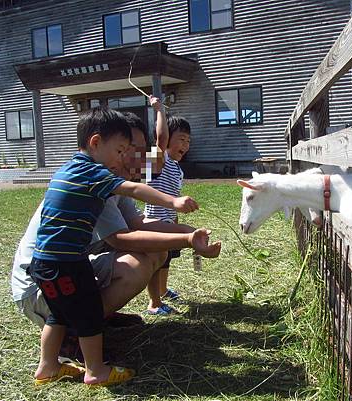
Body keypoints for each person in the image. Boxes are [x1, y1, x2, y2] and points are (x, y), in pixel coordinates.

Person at [23, 107, 220, 386]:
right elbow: (132, 199)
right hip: (67, 263)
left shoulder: (68, 169)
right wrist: (173, 202)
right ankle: (95, 371)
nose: (129, 157)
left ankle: (47, 366)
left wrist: (188, 234)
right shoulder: (96, 175)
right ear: (96, 143)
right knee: (87, 311)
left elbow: (136, 222)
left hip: (43, 264)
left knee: (60, 313)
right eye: (122, 149)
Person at [143, 96, 191, 315]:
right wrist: (159, 110)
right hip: (154, 223)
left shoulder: (178, 169)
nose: (185, 145)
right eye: (181, 139)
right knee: (156, 262)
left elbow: (174, 197)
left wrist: (176, 220)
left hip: (168, 222)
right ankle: (154, 303)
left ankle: (162, 291)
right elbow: (160, 139)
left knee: (167, 260)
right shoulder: (156, 162)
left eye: (188, 141)